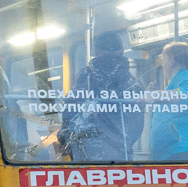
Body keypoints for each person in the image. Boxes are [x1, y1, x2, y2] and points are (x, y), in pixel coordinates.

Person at [57, 31, 144, 161]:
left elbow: (70, 115)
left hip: (85, 154)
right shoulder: (133, 83)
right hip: (121, 156)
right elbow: (137, 124)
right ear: (122, 50)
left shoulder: (85, 78)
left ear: (96, 51)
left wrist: (66, 141)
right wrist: (122, 143)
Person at [149, 40, 188, 161]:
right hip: (173, 150)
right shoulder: (179, 80)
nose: (163, 65)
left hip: (184, 150)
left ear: (171, 61)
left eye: (163, 60)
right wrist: (158, 95)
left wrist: (156, 95)